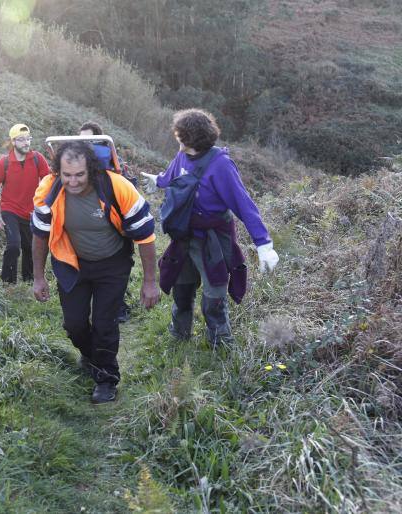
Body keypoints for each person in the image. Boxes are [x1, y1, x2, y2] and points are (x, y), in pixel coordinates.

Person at [32, 141, 160, 404]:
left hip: (112, 264)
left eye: (79, 175)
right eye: (67, 175)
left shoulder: (116, 186)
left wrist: (150, 282)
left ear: (91, 169)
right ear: (58, 171)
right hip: (72, 263)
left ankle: (106, 378)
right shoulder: (49, 189)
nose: (73, 181)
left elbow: (146, 236)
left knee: (104, 323)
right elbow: (40, 235)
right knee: (74, 324)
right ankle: (93, 356)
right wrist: (38, 277)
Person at [141, 108, 279, 347]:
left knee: (214, 295)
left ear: (189, 138)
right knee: (181, 288)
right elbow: (173, 175)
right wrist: (159, 181)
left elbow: (244, 205)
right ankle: (179, 334)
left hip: (213, 238)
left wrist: (263, 244)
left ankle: (221, 341)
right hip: (184, 236)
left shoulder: (221, 166)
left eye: (179, 134)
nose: (177, 138)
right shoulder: (182, 155)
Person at [78, 121, 132, 323]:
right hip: (90, 228)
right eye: (80, 140)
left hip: (115, 225)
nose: (84, 145)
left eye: (88, 140)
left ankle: (119, 307)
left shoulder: (112, 167)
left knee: (118, 266)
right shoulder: (76, 167)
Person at [0, 124, 51, 283]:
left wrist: (46, 208)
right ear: (13, 142)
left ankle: (28, 282)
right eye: (21, 140)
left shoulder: (37, 159)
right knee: (14, 245)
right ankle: (8, 283)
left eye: (28, 139)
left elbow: (49, 183)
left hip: (31, 212)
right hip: (10, 210)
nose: (26, 143)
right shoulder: (4, 163)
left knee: (30, 249)